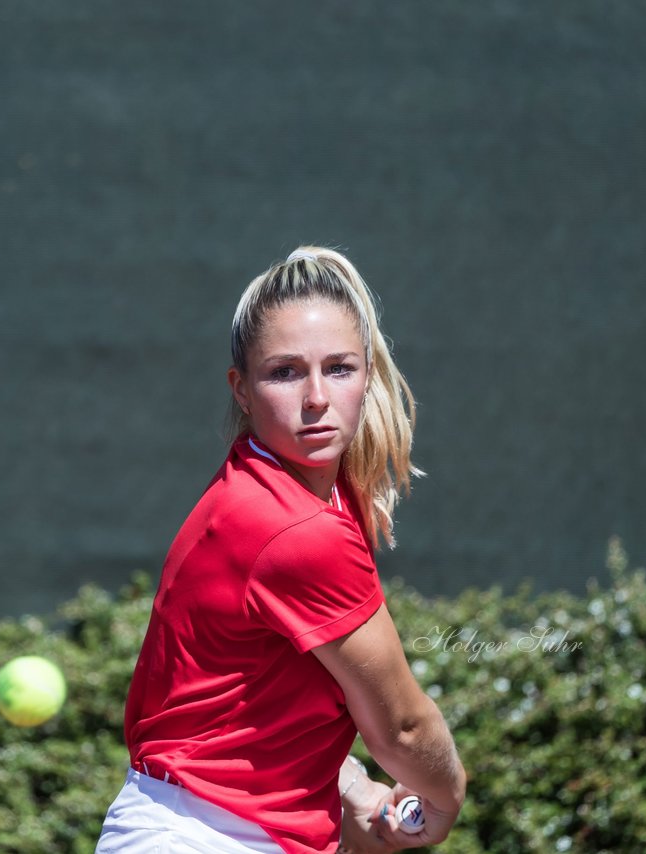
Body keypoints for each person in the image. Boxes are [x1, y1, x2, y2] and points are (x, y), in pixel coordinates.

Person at [96, 246, 466, 854]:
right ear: (241, 390)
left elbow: (240, 705)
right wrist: (446, 797)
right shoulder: (293, 530)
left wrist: (346, 782)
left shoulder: (276, 487)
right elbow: (401, 727)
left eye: (340, 368)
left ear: (367, 376)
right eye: (285, 372)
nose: (317, 397)